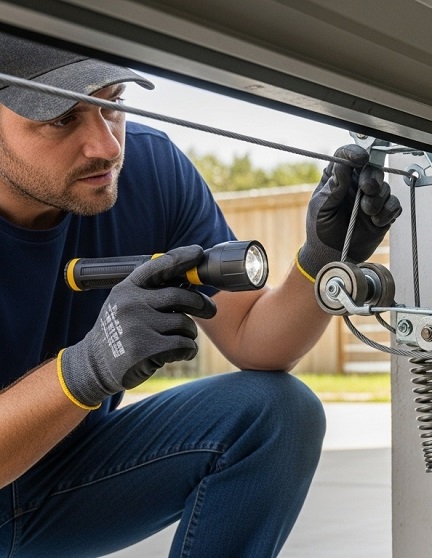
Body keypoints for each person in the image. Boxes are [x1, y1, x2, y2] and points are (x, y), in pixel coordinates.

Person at [0, 31, 400, 557]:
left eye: (111, 103)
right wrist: (88, 368)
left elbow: (253, 338)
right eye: (61, 119)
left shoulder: (148, 171)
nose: (106, 145)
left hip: (61, 487)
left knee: (275, 411)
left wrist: (325, 258)